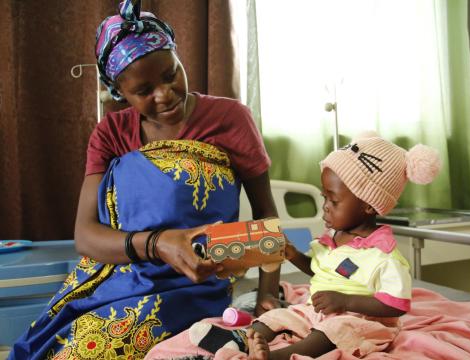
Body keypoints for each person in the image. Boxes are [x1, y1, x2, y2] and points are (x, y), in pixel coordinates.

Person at [8, 1, 281, 359]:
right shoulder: (111, 134)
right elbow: (86, 237)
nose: (165, 95)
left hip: (193, 284)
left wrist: (267, 295)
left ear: (178, 57)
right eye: (144, 90)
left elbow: (265, 218)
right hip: (114, 277)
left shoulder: (231, 119)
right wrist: (159, 243)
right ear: (120, 91)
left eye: (171, 74)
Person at [188, 133, 441, 359]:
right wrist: (294, 255)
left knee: (332, 331)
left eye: (333, 200)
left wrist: (345, 302)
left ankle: (275, 358)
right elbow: (318, 270)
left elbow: (396, 304)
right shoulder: (333, 238)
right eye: (324, 197)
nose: (325, 206)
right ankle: (242, 340)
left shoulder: (382, 255)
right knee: (280, 315)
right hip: (318, 310)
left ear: (368, 205)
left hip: (362, 320)